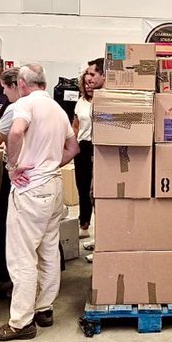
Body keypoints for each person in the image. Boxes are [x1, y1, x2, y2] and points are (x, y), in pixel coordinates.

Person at [0, 63, 77, 342]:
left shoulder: (25, 104)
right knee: (49, 250)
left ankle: (21, 322)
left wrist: (13, 166)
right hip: (53, 187)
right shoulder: (58, 110)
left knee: (22, 256)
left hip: (31, 191)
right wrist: (48, 165)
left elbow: (14, 133)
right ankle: (44, 309)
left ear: (23, 84)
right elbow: (73, 148)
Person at [0, 67, 21, 298]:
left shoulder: (14, 109)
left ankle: (5, 280)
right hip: (40, 178)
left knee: (8, 227)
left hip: (18, 177)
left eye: (4, 87)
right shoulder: (48, 107)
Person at [73, 66, 98, 235]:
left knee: (94, 189)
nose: (88, 86)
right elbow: (75, 126)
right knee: (82, 186)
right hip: (82, 146)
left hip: (96, 147)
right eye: (86, 83)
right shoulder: (80, 102)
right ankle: (84, 224)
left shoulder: (102, 101)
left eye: (91, 82)